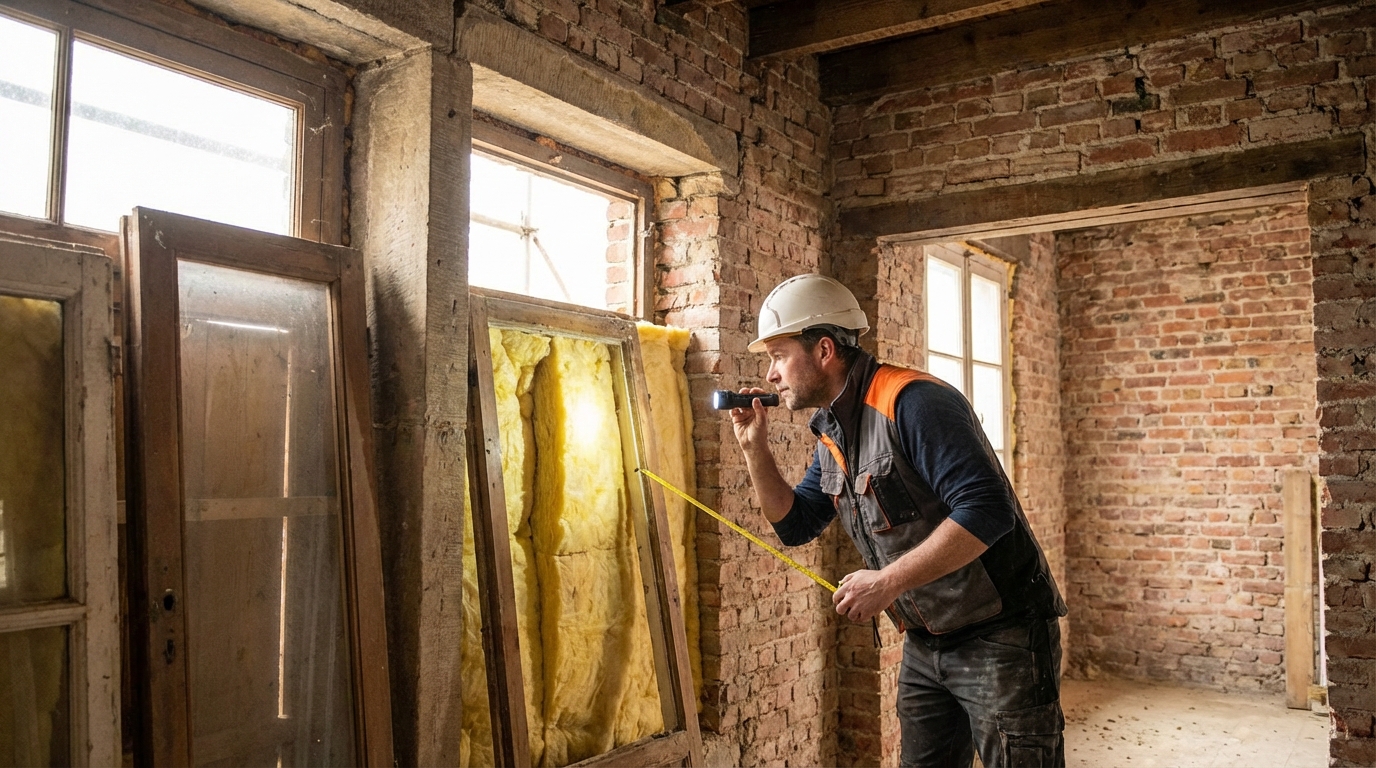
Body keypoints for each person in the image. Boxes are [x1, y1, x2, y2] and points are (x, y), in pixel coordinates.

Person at [730, 273, 1068, 768]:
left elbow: (986, 510)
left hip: (1004, 636)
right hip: (927, 642)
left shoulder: (913, 402)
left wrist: (886, 582)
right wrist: (753, 448)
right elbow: (796, 524)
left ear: (824, 349)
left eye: (779, 355)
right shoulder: (833, 430)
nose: (772, 373)